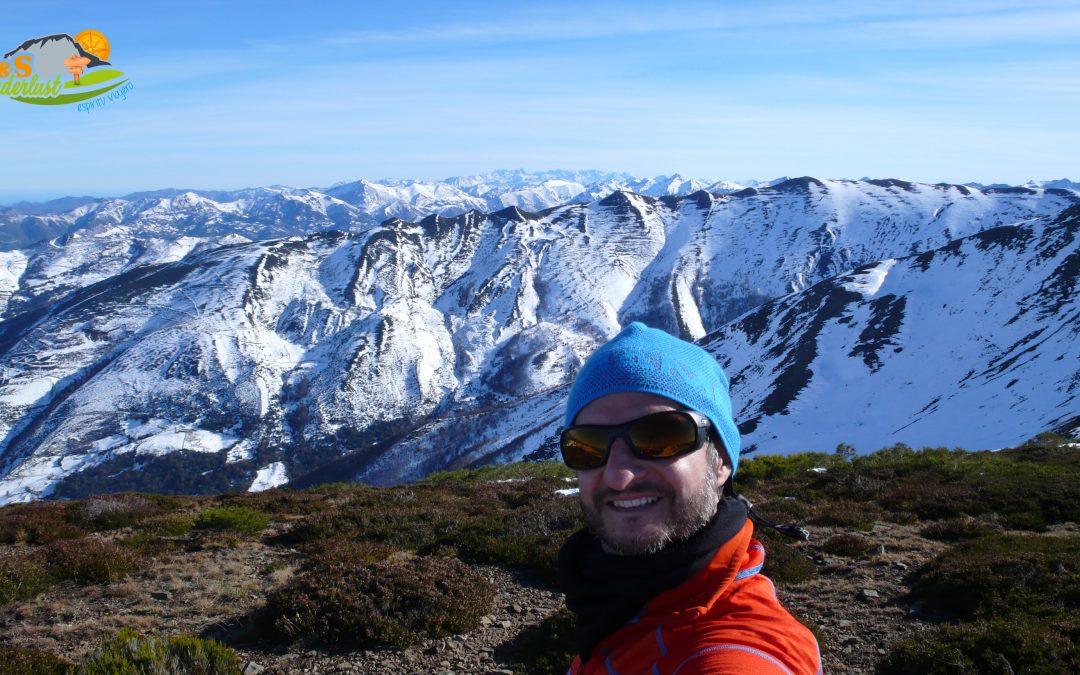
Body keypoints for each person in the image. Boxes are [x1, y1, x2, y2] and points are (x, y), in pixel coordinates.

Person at [557, 322, 822, 675]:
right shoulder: (614, 603)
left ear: (721, 461)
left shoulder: (739, 646)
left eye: (661, 437)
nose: (619, 476)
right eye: (588, 446)